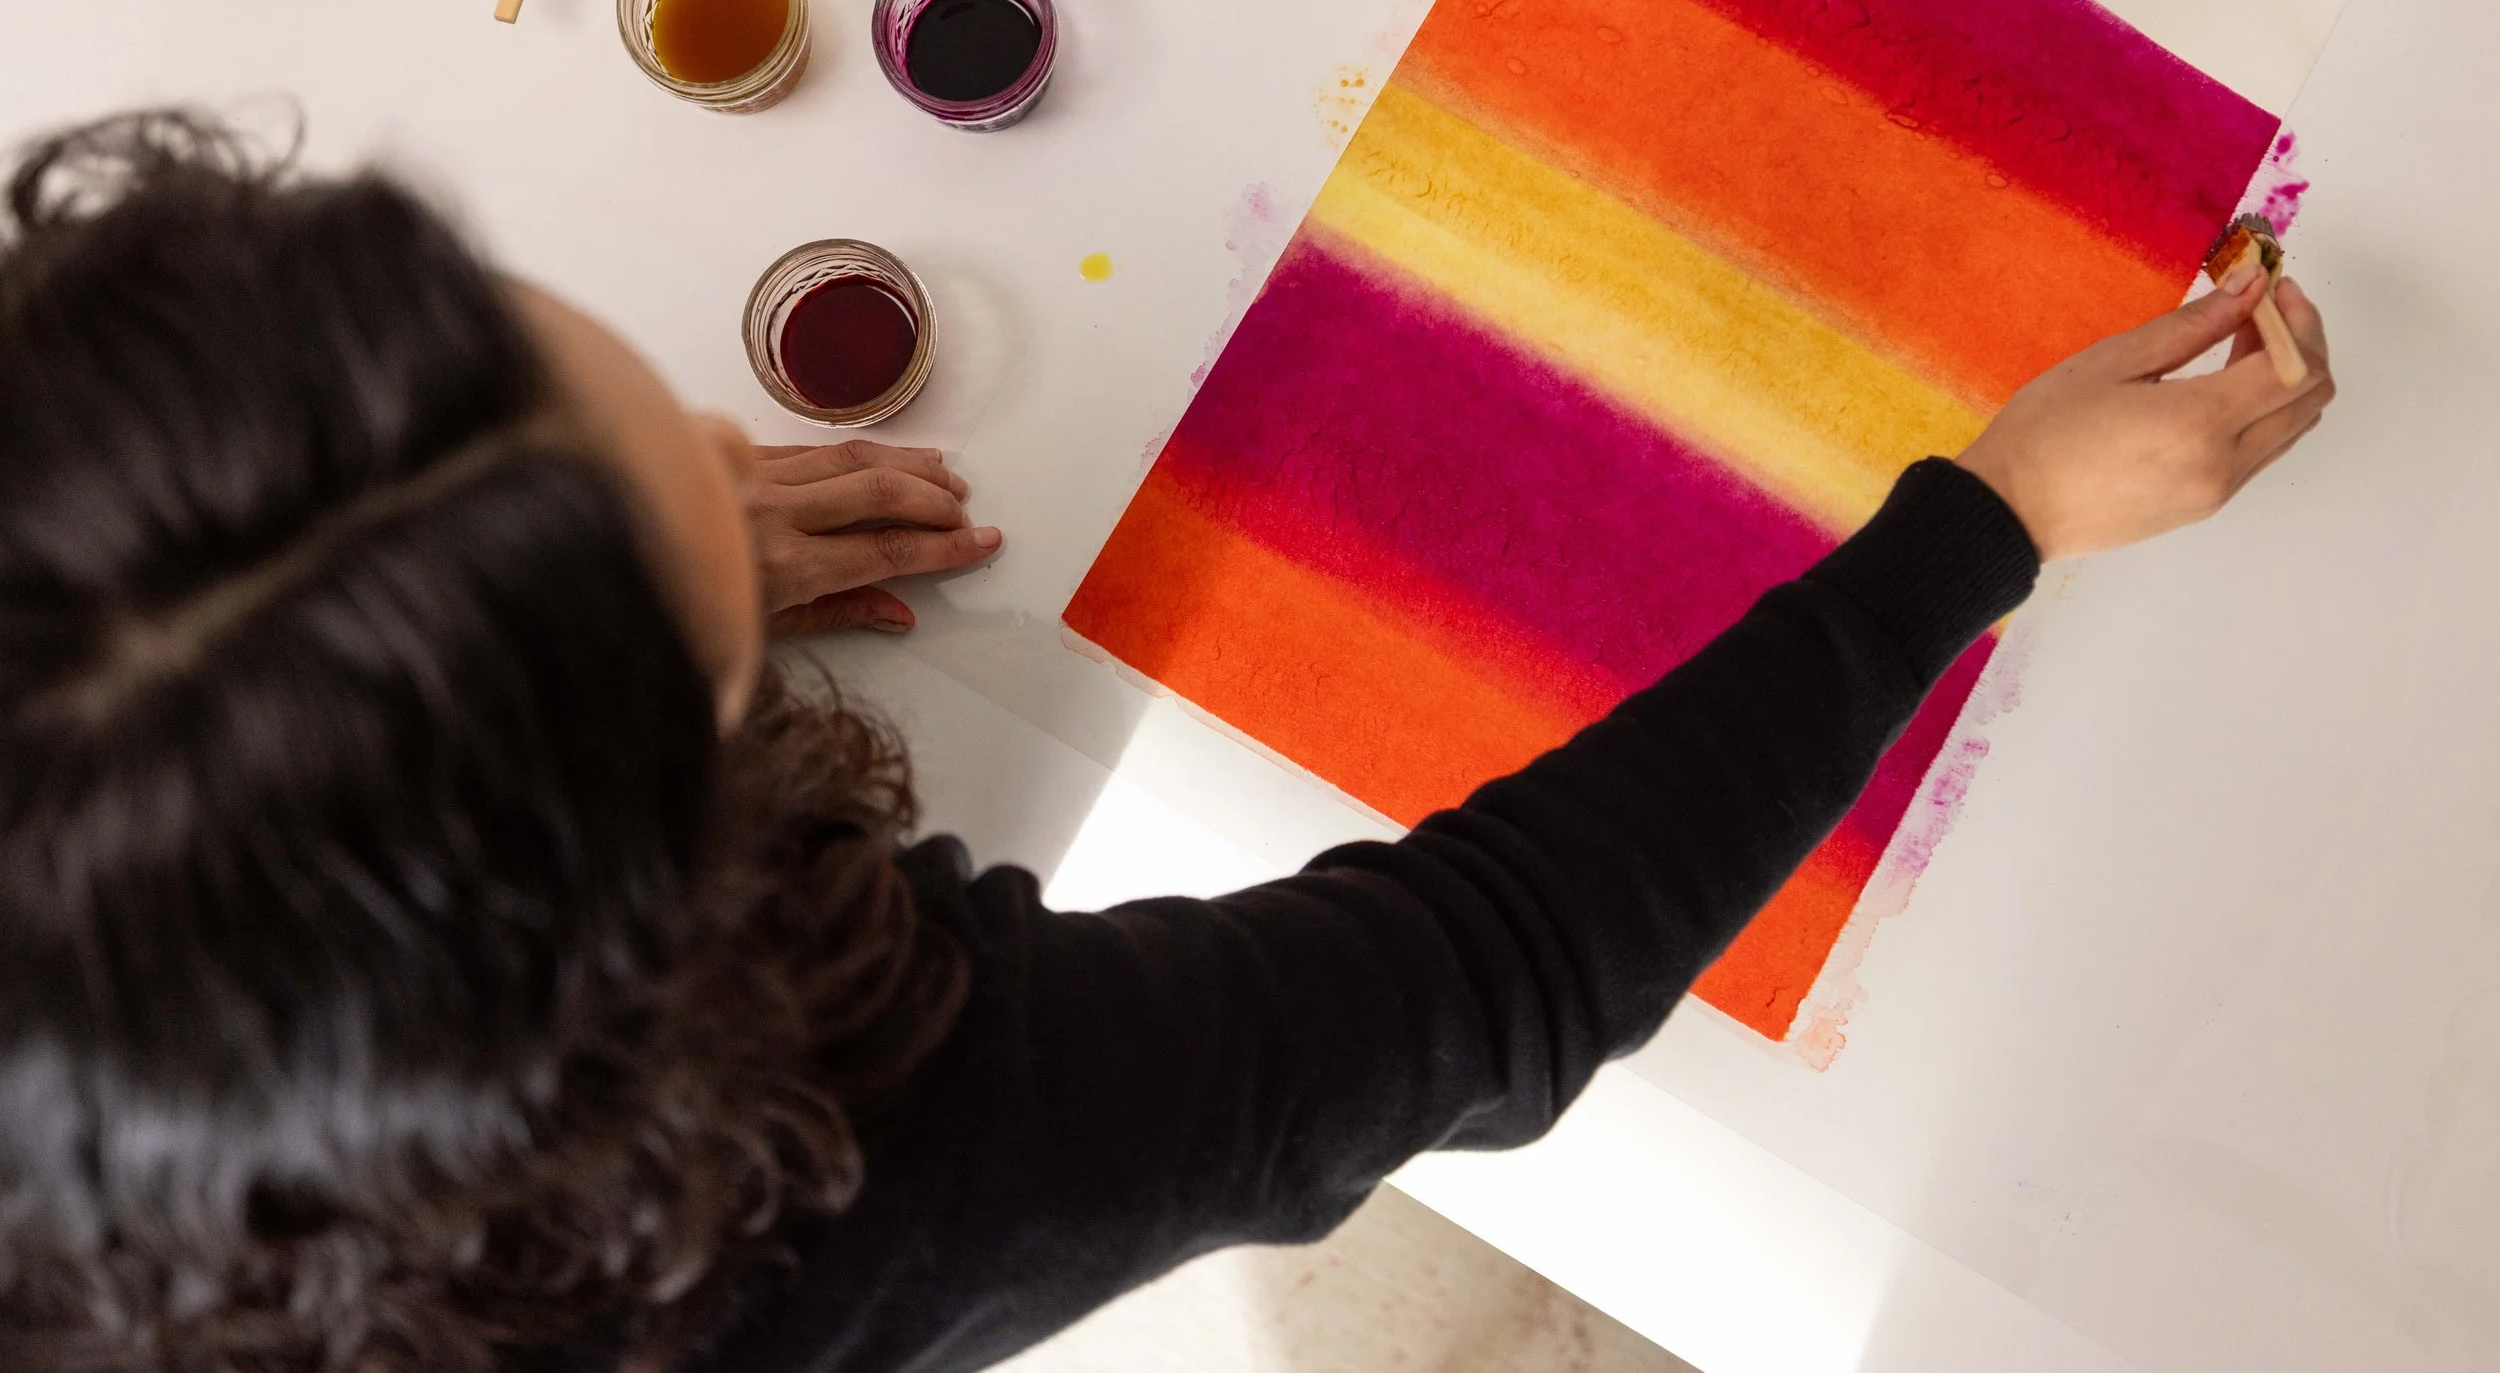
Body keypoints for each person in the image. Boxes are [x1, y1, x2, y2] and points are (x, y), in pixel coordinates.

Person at [0, 116, 2333, 1373]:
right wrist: (1987, 517)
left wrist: (544, 578)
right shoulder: (827, 1191)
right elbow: (1489, 971)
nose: (712, 449)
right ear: (608, 937)